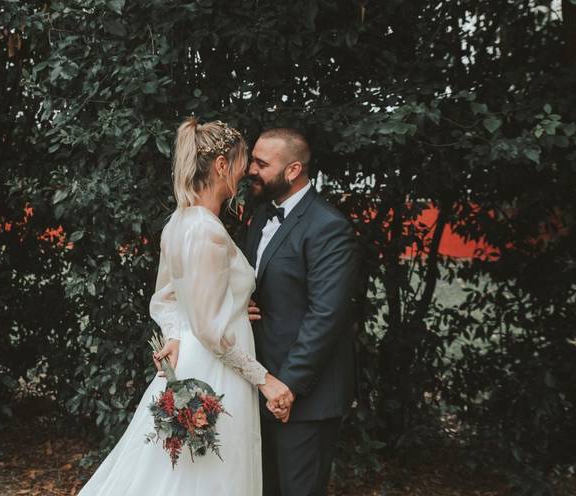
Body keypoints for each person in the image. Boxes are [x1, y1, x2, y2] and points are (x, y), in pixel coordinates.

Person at [77, 118, 292, 496]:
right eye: (241, 163)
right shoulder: (206, 230)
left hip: (194, 357)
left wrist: (188, 328)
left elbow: (165, 298)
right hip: (216, 370)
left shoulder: (179, 222)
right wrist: (267, 381)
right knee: (205, 478)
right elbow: (210, 329)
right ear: (222, 166)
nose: (244, 174)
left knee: (182, 475)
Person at [243, 127, 363, 496]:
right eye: (252, 159)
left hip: (305, 397)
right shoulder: (261, 215)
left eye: (262, 163)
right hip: (261, 385)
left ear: (293, 170)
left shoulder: (329, 227)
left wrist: (288, 387)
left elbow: (326, 316)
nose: (250, 169)